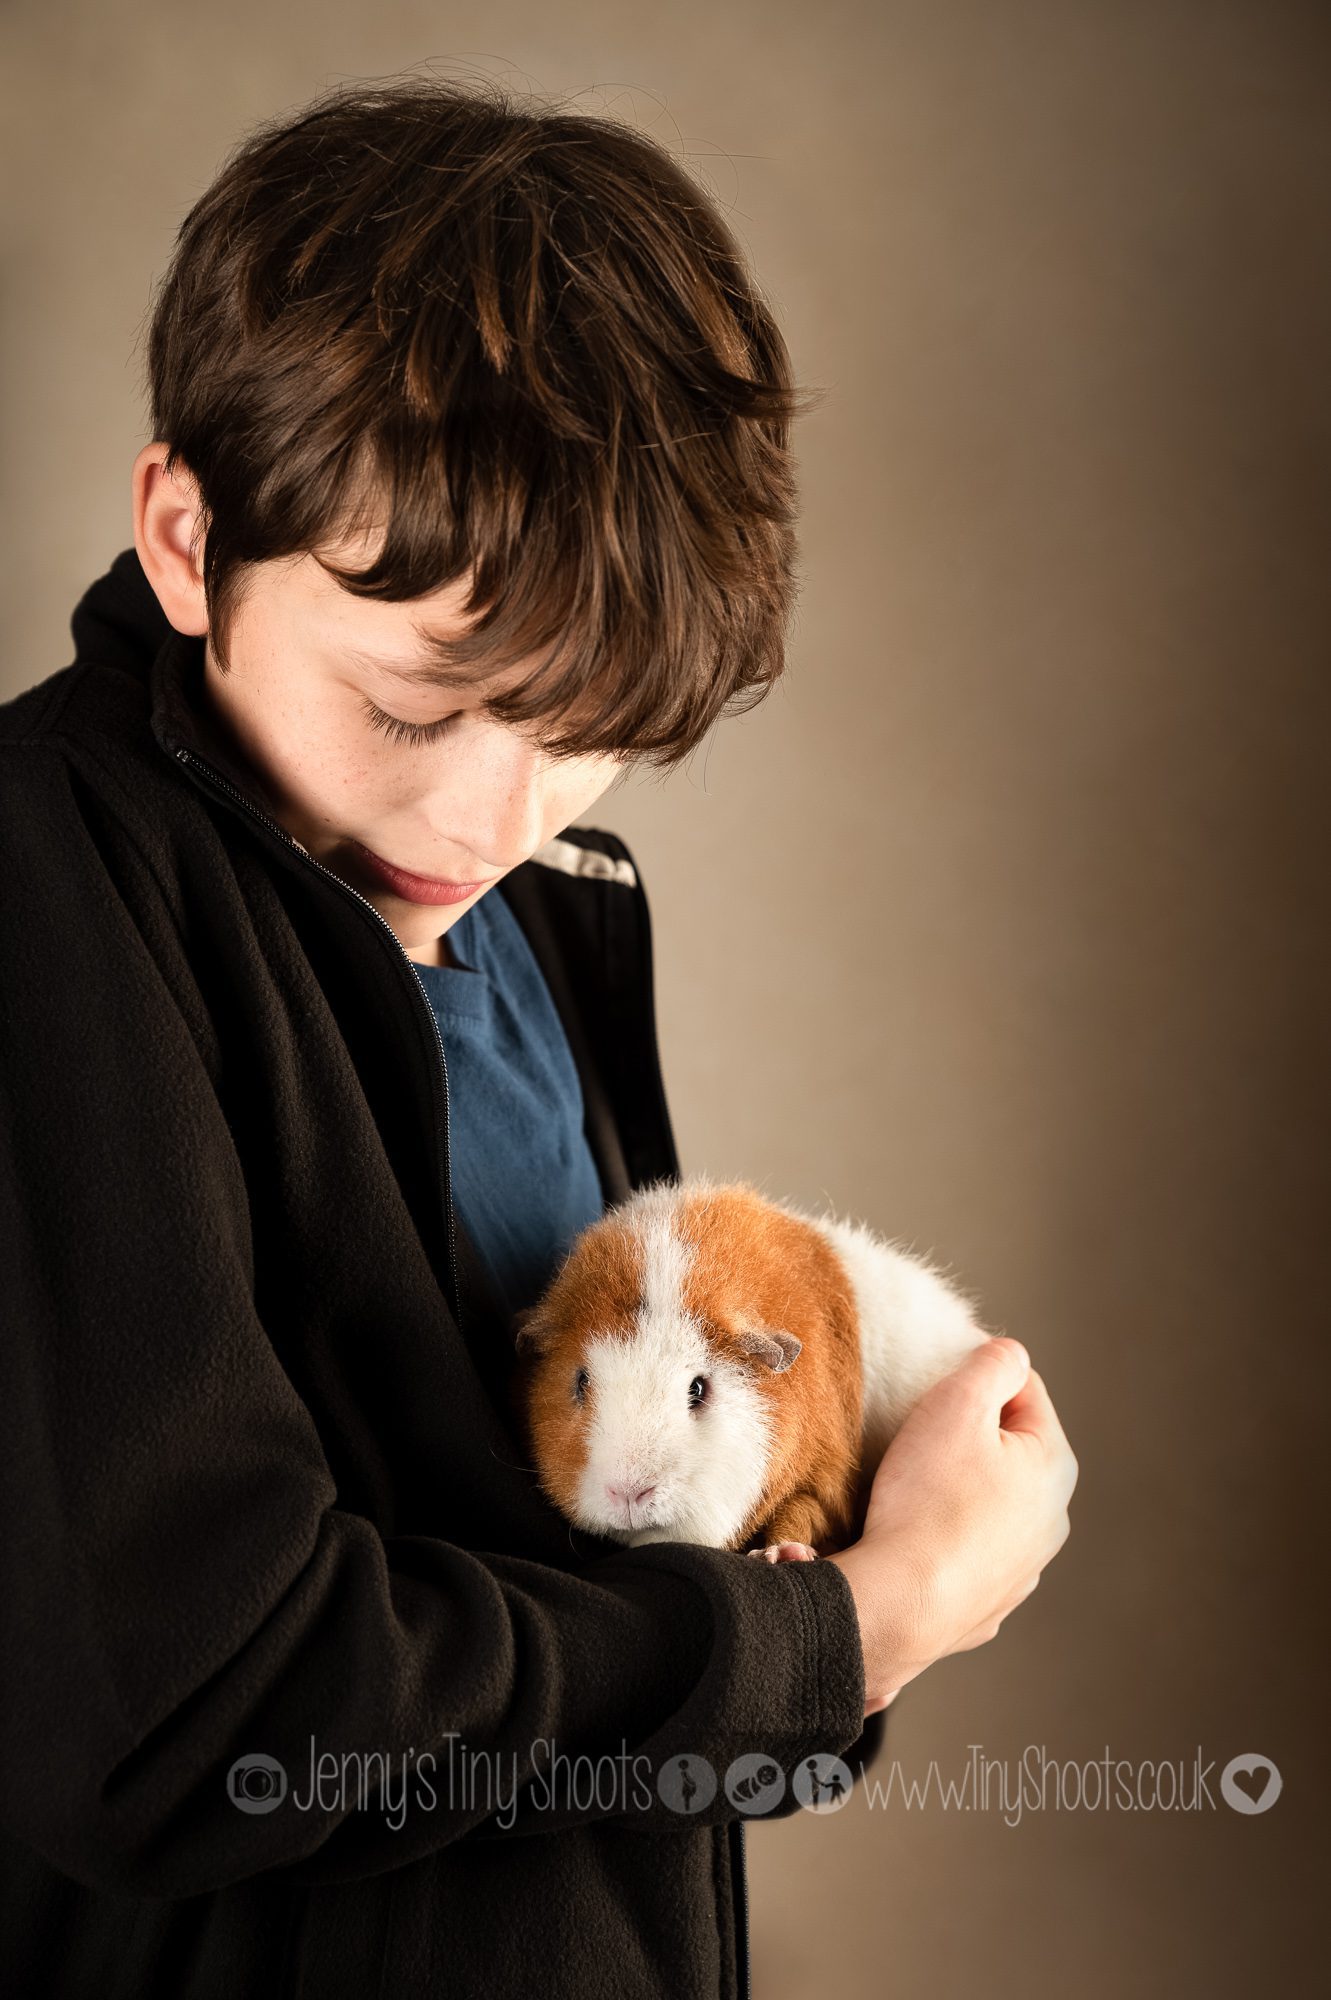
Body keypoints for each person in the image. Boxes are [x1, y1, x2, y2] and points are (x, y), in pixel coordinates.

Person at [0, 76, 1078, 1997]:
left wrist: (840, 1554)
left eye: (578, 726)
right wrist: (846, 1639)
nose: (488, 825)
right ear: (184, 535)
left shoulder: (538, 905)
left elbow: (566, 1579)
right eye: (414, 711)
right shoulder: (47, 888)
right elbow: (200, 1718)